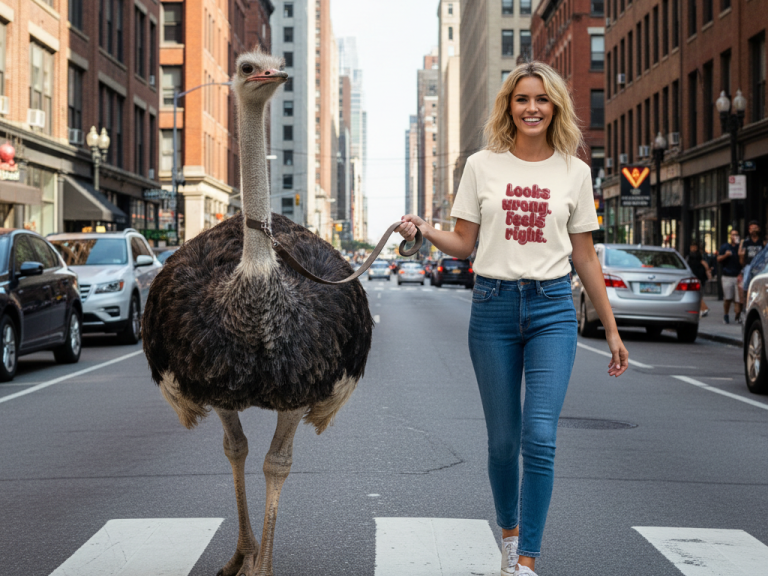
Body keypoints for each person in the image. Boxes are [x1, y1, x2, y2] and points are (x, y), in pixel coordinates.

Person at [396, 62, 629, 576]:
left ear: (555, 107)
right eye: (522, 99)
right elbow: (464, 243)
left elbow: (585, 255)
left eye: (542, 99)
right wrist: (425, 229)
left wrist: (611, 329)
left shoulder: (575, 172)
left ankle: (526, 561)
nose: (532, 108)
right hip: (493, 308)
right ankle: (509, 536)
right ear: (508, 106)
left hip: (552, 309)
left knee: (539, 436)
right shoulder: (482, 166)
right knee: (503, 442)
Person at [718, 229, 742, 324]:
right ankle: (726, 314)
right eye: (733, 234)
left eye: (736, 234)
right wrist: (726, 255)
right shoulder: (725, 247)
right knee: (728, 298)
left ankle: (737, 316)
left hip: (738, 276)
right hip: (727, 276)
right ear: (730, 236)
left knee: (738, 299)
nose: (734, 236)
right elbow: (718, 259)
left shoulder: (740, 247)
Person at [739, 220, 765, 301]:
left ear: (759, 229)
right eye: (751, 228)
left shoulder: (762, 241)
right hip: (749, 266)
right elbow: (741, 255)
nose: (753, 230)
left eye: (755, 228)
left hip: (760, 267)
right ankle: (747, 302)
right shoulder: (746, 242)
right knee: (746, 285)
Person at [686, 242, 711, 316]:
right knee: (696, 294)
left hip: (697, 276)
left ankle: (703, 308)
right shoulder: (694, 256)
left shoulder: (694, 256)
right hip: (698, 276)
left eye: (693, 246)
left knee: (696, 294)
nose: (692, 248)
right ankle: (701, 309)